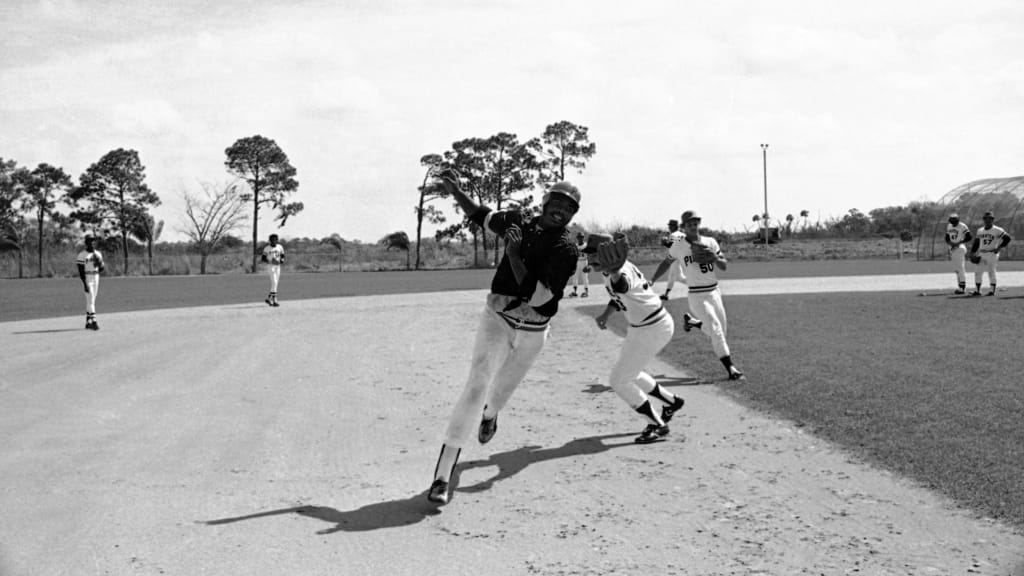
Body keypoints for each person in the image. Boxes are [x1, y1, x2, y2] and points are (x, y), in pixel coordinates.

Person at [427, 169, 581, 505]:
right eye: (557, 200)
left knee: (499, 393)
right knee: (477, 384)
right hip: (497, 318)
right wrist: (456, 191)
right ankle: (442, 475)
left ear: (572, 216)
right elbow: (481, 216)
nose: (561, 208)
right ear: (545, 201)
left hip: (534, 330)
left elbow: (535, 294)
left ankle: (491, 413)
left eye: (569, 207)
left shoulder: (566, 248)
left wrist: (512, 253)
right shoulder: (519, 220)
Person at [586, 233, 686, 444]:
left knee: (618, 380)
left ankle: (657, 424)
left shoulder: (619, 270)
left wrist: (614, 272)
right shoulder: (610, 270)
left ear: (610, 254)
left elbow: (621, 285)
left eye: (595, 254)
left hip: (653, 327)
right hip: (643, 328)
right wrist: (606, 314)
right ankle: (671, 402)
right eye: (589, 254)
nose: (590, 259)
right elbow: (619, 296)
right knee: (632, 372)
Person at [651, 210, 744, 381]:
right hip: (696, 295)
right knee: (715, 329)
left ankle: (693, 323)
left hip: (714, 292)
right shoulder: (678, 246)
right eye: (689, 224)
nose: (693, 226)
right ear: (684, 227)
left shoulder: (710, 241)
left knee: (720, 332)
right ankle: (731, 368)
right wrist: (652, 280)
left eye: (695, 223)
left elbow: (723, 266)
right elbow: (666, 263)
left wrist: (714, 257)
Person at [968, 211, 1012, 296]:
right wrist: (972, 253)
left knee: (991, 272)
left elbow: (1007, 238)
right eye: (985, 219)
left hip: (992, 253)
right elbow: (976, 243)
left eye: (989, 219)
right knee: (978, 272)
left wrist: (999, 247)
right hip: (981, 253)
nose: (987, 220)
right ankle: (978, 291)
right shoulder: (980, 230)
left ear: (992, 220)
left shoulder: (997, 230)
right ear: (983, 220)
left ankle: (992, 291)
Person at [75, 234, 106, 331]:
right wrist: (84, 283)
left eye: (93, 241)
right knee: (90, 300)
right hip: (87, 276)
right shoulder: (82, 255)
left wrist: (99, 263)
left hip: (96, 276)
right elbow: (80, 271)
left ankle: (88, 322)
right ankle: (94, 322)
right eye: (89, 241)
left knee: (91, 300)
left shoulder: (98, 254)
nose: (92, 243)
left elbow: (101, 269)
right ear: (86, 243)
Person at [944, 213, 973, 294]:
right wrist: (951, 244)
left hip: (960, 248)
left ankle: (963, 288)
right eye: (951, 221)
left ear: (957, 220)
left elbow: (969, 236)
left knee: (960, 268)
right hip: (953, 249)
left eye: (954, 221)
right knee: (957, 269)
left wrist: (959, 242)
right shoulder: (949, 226)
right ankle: (960, 287)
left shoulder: (962, 226)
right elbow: (947, 237)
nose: (952, 222)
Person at [660, 219, 686, 300]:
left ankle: (696, 285)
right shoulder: (682, 234)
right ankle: (666, 294)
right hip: (683, 257)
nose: (669, 227)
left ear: (675, 226)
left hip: (675, 258)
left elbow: (670, 246)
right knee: (671, 276)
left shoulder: (674, 234)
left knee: (679, 277)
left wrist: (664, 242)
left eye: (670, 226)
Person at [261, 234, 285, 306]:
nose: (274, 241)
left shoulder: (280, 247)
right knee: (274, 282)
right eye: (272, 239)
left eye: (275, 239)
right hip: (271, 266)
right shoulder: (267, 248)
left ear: (277, 240)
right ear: (270, 240)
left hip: (278, 266)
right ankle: (274, 300)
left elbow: (282, 255)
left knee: (275, 284)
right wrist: (270, 261)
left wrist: (282, 260)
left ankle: (269, 298)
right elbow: (263, 258)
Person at [569, 232, 591, 298]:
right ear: (577, 238)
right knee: (575, 277)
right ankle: (575, 292)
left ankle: (586, 292)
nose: (580, 238)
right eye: (579, 237)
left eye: (581, 237)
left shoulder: (586, 245)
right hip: (577, 262)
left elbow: (589, 255)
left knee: (584, 277)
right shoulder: (575, 245)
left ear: (583, 238)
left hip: (584, 262)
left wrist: (588, 264)